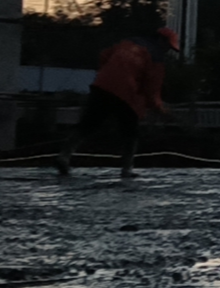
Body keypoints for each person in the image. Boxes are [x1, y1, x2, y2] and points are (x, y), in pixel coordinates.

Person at [56, 27, 180, 178]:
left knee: (87, 124)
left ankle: (64, 155)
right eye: (168, 46)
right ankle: (127, 168)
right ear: (160, 40)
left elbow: (103, 55)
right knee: (130, 132)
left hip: (102, 85)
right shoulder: (156, 57)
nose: (168, 50)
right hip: (126, 92)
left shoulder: (128, 42)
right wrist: (161, 109)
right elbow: (152, 88)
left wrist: (107, 74)